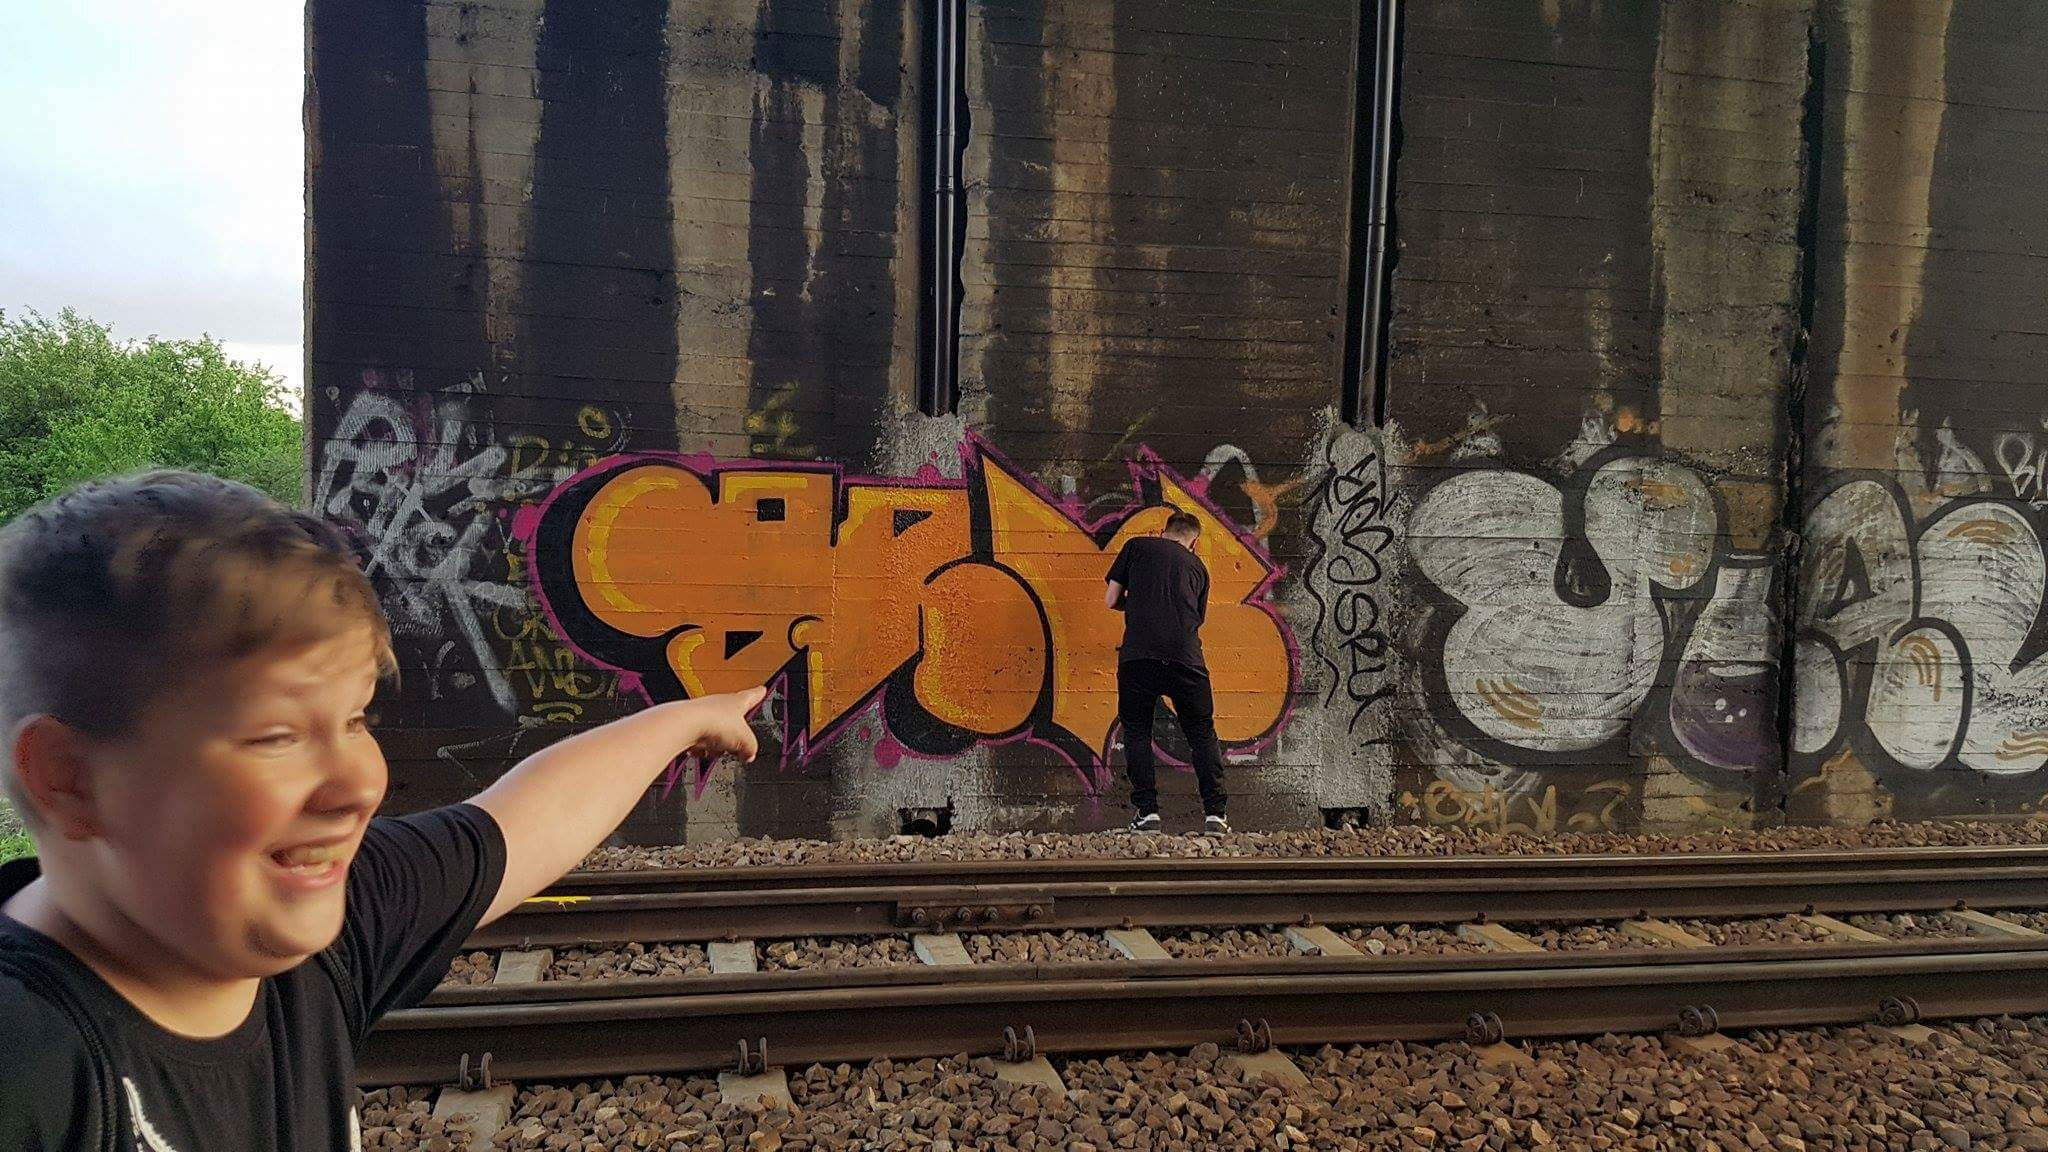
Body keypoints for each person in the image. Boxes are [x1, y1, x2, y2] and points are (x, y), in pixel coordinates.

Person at [0, 471, 766, 1150]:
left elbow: (524, 819)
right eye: (275, 736)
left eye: (355, 719)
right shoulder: (28, 1068)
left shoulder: (306, 932)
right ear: (68, 780)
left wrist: (685, 721)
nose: (359, 786)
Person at [1104, 509, 1227, 834]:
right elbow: (1194, 619)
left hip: (1139, 657)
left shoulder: (1136, 546)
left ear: (1163, 531)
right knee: (1201, 734)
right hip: (1186, 659)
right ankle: (1215, 815)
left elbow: (1110, 599)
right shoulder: (1198, 568)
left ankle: (1148, 814)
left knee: (1137, 731)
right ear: (1194, 542)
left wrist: (1136, 604)